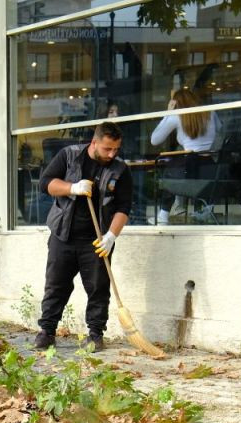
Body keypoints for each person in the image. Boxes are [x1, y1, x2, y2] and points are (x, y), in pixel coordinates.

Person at [35, 121, 132, 352]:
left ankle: (96, 334)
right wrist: (72, 188)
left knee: (98, 287)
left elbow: (124, 207)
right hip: (63, 234)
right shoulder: (69, 156)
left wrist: (111, 236)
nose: (112, 154)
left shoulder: (120, 169)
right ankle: (47, 331)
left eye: (116, 149)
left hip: (97, 240)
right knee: (56, 285)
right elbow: (45, 184)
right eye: (107, 149)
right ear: (94, 142)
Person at [150, 88, 216, 224]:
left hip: (188, 171)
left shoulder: (176, 116)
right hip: (210, 168)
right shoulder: (211, 113)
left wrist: (167, 114)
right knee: (176, 167)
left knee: (169, 173)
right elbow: (219, 130)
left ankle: (163, 215)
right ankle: (202, 211)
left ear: (176, 103)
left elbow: (155, 140)